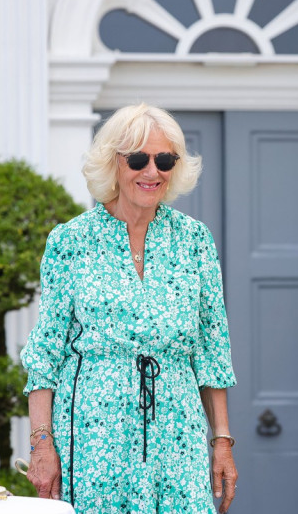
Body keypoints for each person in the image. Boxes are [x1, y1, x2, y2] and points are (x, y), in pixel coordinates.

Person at [20, 104, 237, 513]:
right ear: (113, 163)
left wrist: (221, 442)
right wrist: (42, 445)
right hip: (94, 435)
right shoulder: (71, 242)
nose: (151, 171)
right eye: (138, 159)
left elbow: (212, 350)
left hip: (178, 434)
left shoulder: (195, 241)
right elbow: (45, 353)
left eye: (164, 160)